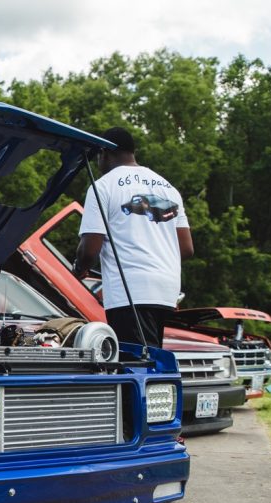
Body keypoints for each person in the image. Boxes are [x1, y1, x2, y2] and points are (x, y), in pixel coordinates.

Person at [72, 127, 194, 347]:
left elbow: (89, 250)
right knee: (152, 355)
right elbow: (186, 248)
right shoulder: (168, 188)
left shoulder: (103, 187)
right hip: (166, 290)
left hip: (130, 292)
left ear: (104, 153)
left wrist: (80, 267)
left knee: (136, 360)